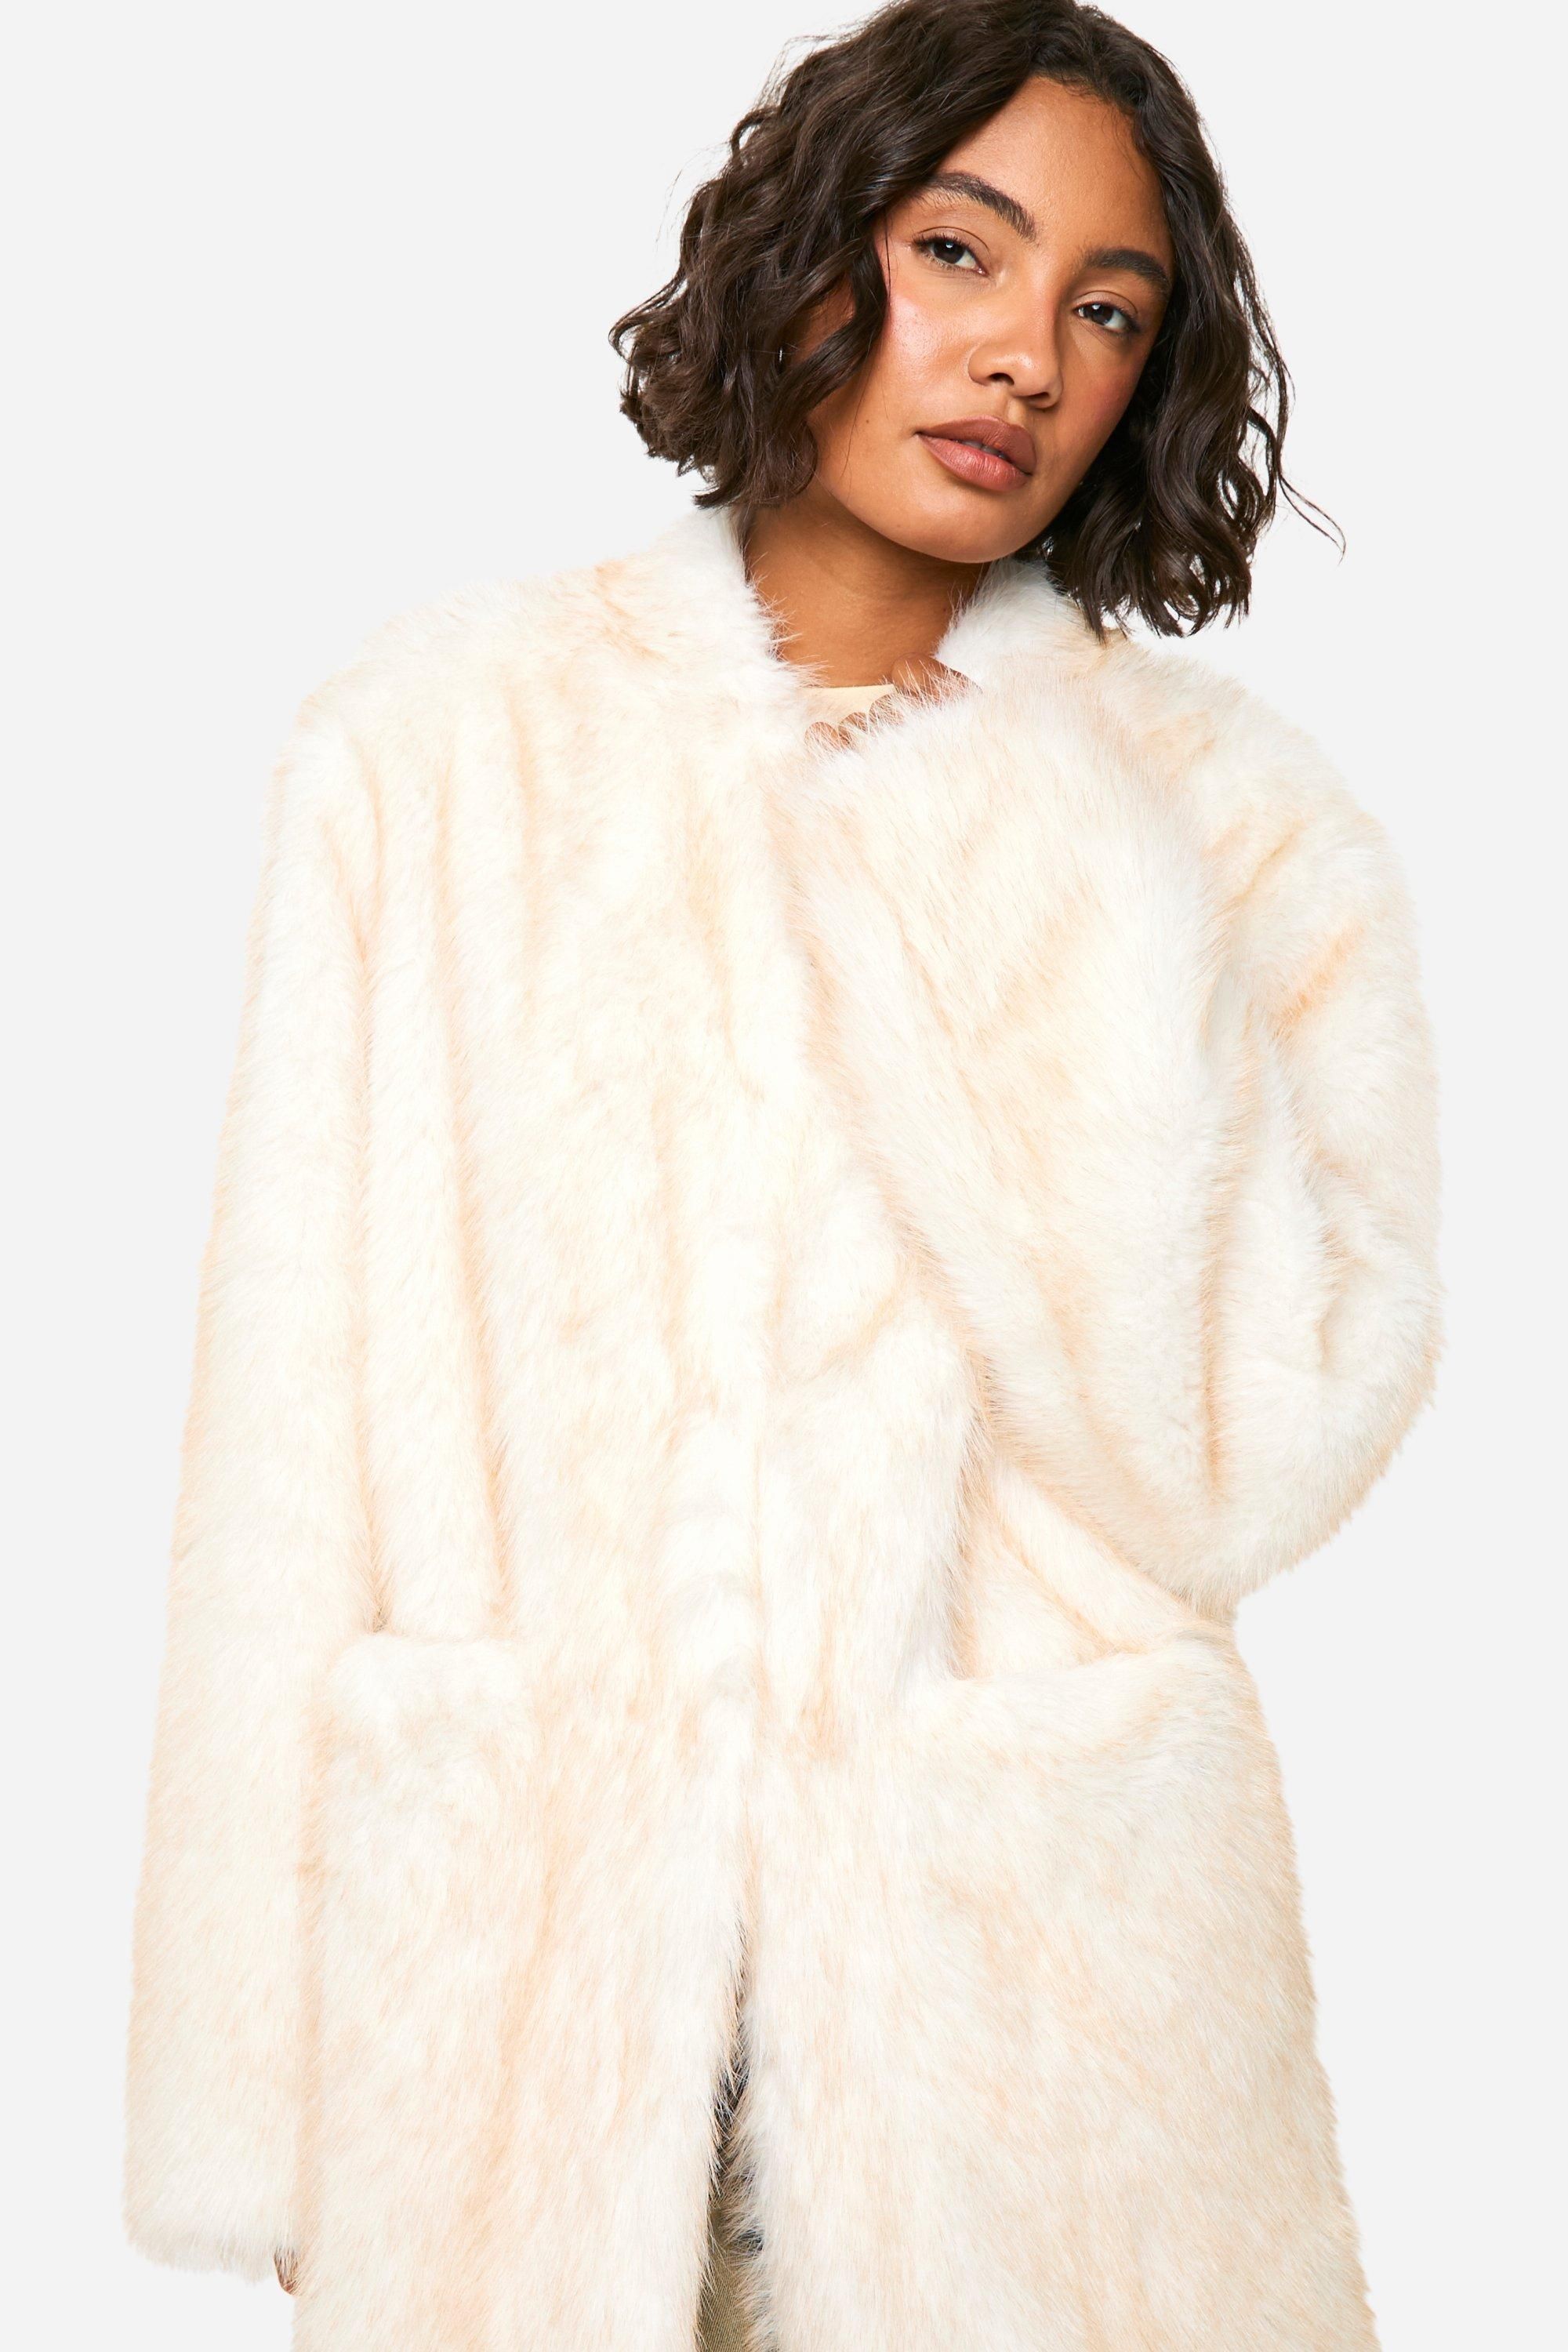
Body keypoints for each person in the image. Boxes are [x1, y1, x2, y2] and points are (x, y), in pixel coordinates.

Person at [123, 5, 1441, 2347]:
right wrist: (269, 2106)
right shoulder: (439, 761)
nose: (1024, 357)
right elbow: (284, 1460)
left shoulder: (1223, 839)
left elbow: (1242, 1466)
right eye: (961, 250)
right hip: (521, 2024)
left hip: (1044, 2062)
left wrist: (1021, 839)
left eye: (1108, 312)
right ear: (814, 250)